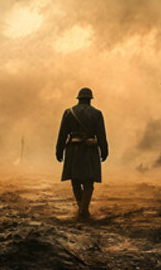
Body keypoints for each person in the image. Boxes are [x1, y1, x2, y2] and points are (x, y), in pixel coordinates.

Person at [56, 87, 108, 220]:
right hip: (89, 150)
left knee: (75, 180)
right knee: (89, 181)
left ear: (78, 99)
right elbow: (101, 135)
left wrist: (59, 151)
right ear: (90, 99)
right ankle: (84, 209)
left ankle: (81, 208)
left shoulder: (68, 113)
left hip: (73, 150)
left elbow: (62, 134)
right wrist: (104, 150)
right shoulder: (97, 114)